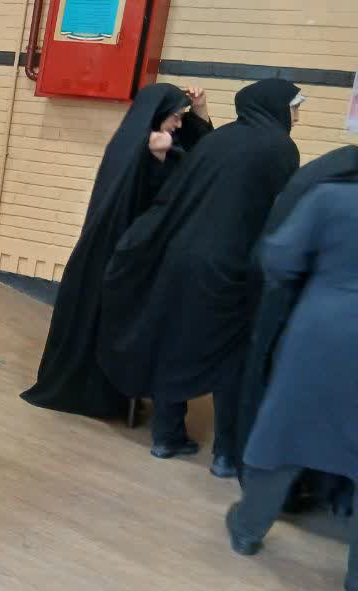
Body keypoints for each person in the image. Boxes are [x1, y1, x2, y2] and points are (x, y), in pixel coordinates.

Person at [98, 79, 304, 477]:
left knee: (174, 342)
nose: (296, 115)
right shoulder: (279, 147)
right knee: (232, 358)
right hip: (231, 265)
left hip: (180, 257)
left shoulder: (218, 140)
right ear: (275, 106)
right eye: (294, 106)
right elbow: (276, 214)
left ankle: (166, 437)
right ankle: (226, 454)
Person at [20, 84, 212, 419]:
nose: (179, 125)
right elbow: (163, 193)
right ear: (157, 115)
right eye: (175, 117)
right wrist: (161, 160)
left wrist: (200, 111)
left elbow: (205, 154)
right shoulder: (142, 147)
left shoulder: (144, 141)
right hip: (117, 256)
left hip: (126, 254)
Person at [226, 171, 358, 591]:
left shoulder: (330, 199)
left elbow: (279, 257)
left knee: (283, 437)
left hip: (322, 333)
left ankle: (247, 530)